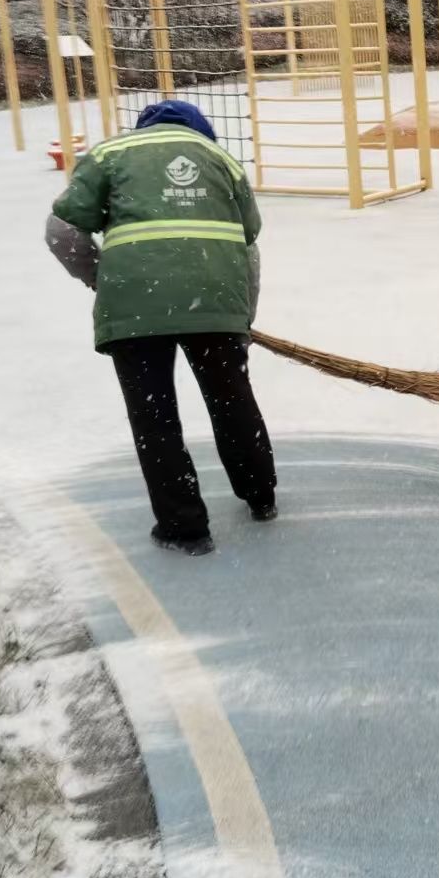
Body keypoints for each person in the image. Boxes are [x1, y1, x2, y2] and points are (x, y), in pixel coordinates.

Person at [46, 100, 276, 556]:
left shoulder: (109, 155)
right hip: (214, 302)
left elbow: (62, 232)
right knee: (232, 398)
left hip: (135, 307)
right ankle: (260, 496)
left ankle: (184, 527)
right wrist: (240, 318)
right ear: (199, 130)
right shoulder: (221, 160)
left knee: (154, 417)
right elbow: (248, 245)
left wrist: (102, 278)